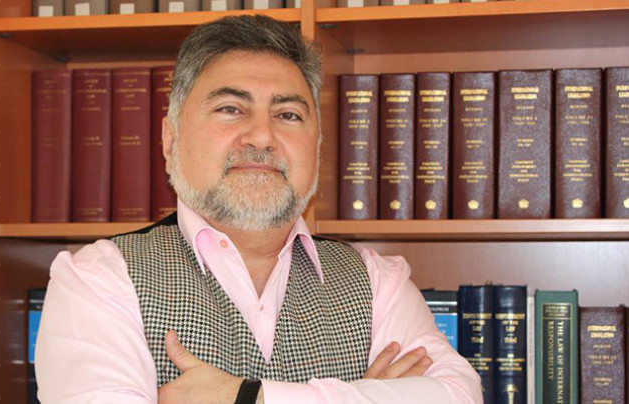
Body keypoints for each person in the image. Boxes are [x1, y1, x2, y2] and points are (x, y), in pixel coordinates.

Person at [35, 15, 482, 404]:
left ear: (318, 148)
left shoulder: (378, 280)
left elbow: (459, 395)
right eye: (231, 108)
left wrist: (251, 397)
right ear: (170, 140)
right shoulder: (98, 280)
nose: (262, 137)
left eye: (288, 115)